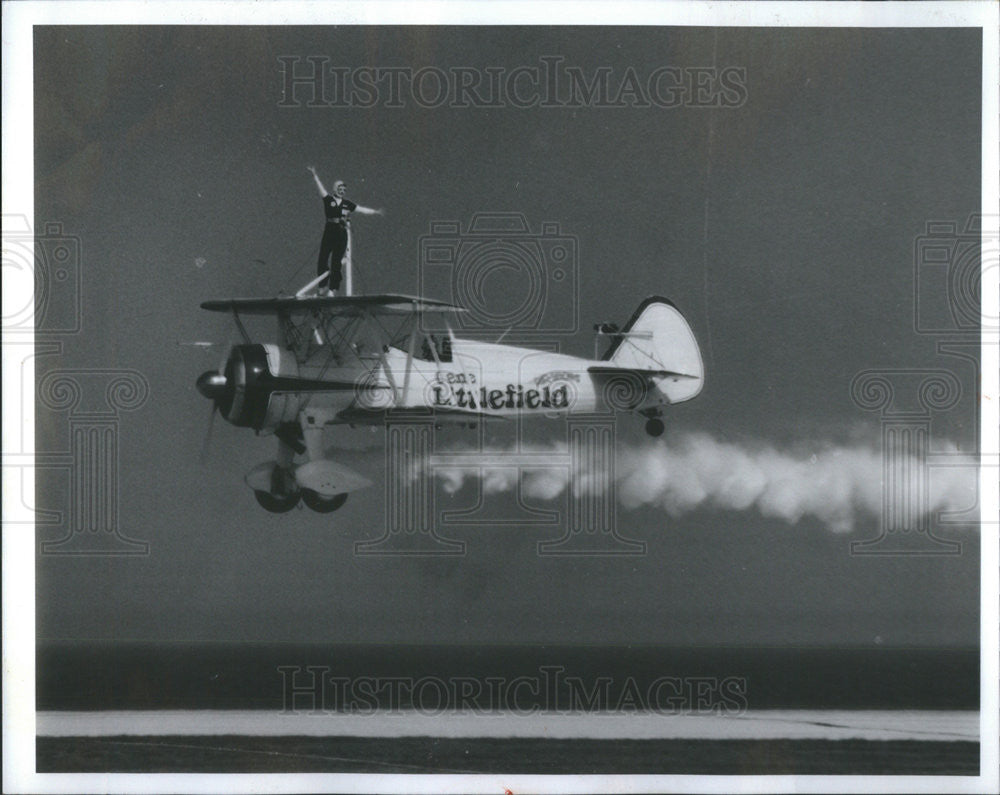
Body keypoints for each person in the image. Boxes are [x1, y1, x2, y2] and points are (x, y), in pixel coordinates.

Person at [308, 166, 383, 295]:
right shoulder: (328, 200)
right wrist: (315, 175)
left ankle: (332, 289)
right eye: (339, 189)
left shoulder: (347, 204)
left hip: (341, 233)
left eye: (344, 189)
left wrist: (375, 212)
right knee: (323, 258)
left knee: (336, 261)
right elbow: (320, 189)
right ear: (334, 189)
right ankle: (323, 286)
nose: (342, 191)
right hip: (329, 230)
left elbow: (361, 209)